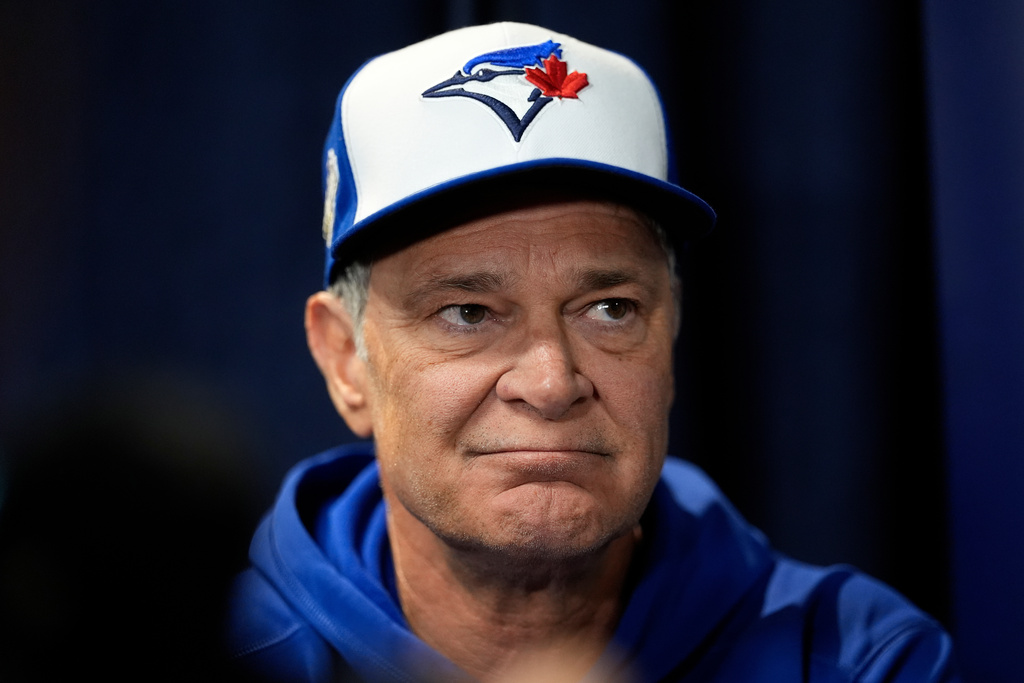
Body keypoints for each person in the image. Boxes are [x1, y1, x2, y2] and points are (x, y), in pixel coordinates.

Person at [227, 22, 958, 682]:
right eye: (468, 312)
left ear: (669, 335)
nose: (551, 382)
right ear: (346, 360)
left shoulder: (865, 659)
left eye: (610, 309)